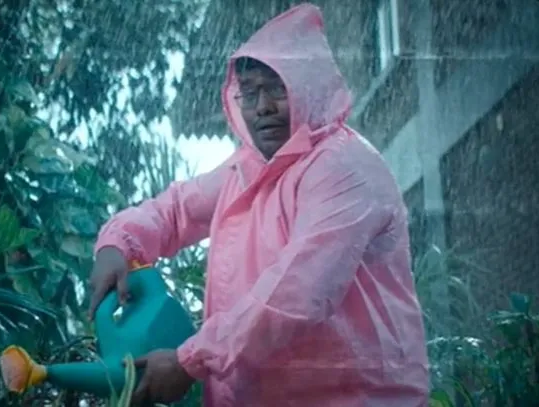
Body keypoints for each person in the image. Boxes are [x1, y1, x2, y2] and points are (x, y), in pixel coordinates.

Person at [86, 3, 430, 407]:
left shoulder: (344, 169)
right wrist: (117, 246)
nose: (262, 106)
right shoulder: (249, 169)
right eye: (249, 92)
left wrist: (190, 360)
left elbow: (297, 295)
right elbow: (176, 209)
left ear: (310, 86)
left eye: (276, 88)